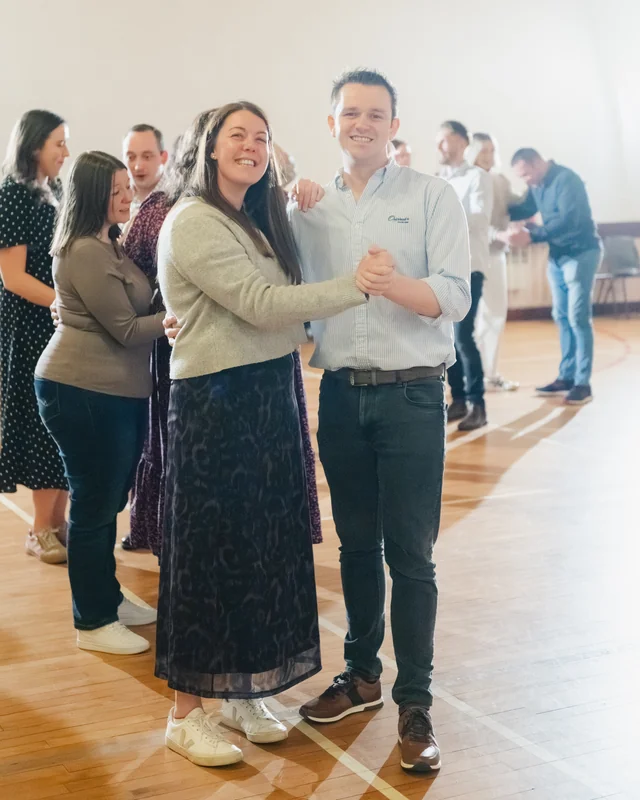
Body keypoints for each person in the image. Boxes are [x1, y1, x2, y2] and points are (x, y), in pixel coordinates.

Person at [154, 101, 391, 768]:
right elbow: (262, 307)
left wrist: (303, 199)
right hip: (215, 405)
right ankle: (184, 712)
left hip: (265, 395)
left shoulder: (253, 221)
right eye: (238, 135)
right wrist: (354, 288)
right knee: (209, 553)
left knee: (259, 549)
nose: (252, 147)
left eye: (261, 137)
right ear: (208, 147)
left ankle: (241, 691)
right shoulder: (194, 222)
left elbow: (279, 301)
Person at [289, 71, 471, 773]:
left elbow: (453, 296)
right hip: (339, 394)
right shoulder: (310, 206)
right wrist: (291, 191)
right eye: (351, 113)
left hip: (413, 397)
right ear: (331, 122)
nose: (363, 123)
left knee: (412, 558)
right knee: (356, 548)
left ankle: (414, 702)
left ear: (395, 124)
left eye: (377, 114)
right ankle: (361, 675)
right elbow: (290, 293)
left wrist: (391, 283)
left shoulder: (432, 195)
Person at [35, 151, 165, 654]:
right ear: (93, 196)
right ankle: (92, 620)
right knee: (93, 504)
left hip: (112, 391)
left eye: (126, 187)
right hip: (83, 389)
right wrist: (178, 318)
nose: (127, 196)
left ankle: (106, 595)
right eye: (116, 190)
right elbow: (128, 329)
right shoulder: (85, 250)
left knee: (107, 500)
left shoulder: (109, 243)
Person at [0, 110, 70, 564]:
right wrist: (60, 304)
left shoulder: (58, 190)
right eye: (58, 144)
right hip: (28, 328)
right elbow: (12, 277)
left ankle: (58, 524)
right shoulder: (11, 196)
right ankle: (40, 529)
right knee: (40, 425)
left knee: (63, 421)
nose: (65, 152)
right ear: (34, 148)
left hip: (55, 320)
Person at [505, 149, 602, 405]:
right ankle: (566, 377)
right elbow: (525, 207)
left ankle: (583, 383)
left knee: (578, 317)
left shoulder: (567, 180)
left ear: (538, 163)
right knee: (561, 316)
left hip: (581, 253)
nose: (526, 180)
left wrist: (531, 235)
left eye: (526, 174)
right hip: (558, 256)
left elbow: (569, 221)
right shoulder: (537, 184)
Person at [437, 120, 493, 431]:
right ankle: (457, 399)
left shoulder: (477, 178)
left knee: (463, 338)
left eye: (443, 140)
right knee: (447, 339)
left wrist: (443, 215)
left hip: (470, 267)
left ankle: (478, 404)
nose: (439, 147)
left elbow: (480, 219)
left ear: (461, 142)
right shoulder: (440, 181)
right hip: (443, 269)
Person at [466, 132, 519, 392]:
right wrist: (497, 234)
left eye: (491, 150)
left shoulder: (499, 181)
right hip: (469, 257)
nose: (487, 155)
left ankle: (490, 372)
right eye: (482, 150)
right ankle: (466, 374)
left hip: (495, 255)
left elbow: (517, 206)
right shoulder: (464, 179)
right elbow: (473, 221)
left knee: (495, 314)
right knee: (466, 319)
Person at [122, 124, 168, 229]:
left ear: (163, 157)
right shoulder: (116, 198)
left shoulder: (175, 197)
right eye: (131, 157)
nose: (138, 167)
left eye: (147, 157)